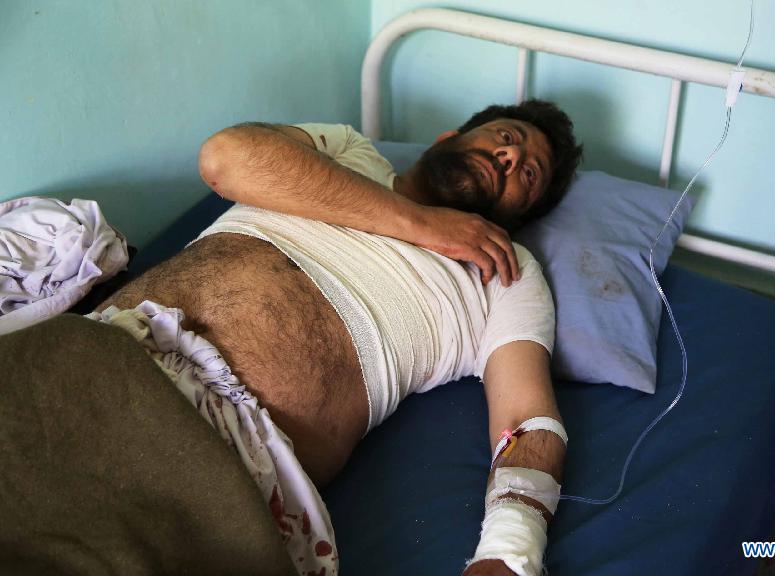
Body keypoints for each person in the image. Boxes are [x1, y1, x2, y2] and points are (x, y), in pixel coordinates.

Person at [94, 99, 581, 575]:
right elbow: (225, 157)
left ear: (522, 214)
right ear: (448, 139)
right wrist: (419, 223)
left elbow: (526, 419)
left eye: (529, 173)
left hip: (212, 465)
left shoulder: (504, 272)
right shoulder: (347, 152)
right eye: (505, 136)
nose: (511, 157)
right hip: (96, 355)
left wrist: (509, 552)